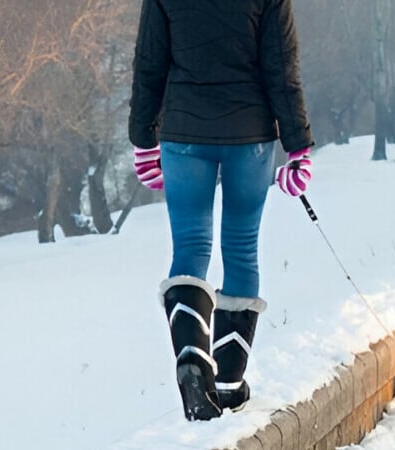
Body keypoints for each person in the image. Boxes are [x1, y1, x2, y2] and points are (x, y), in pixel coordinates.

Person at [128, 0, 314, 421]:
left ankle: (193, 360)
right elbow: (283, 70)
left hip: (183, 134)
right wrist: (298, 147)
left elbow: (149, 63)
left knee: (190, 248)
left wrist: (143, 138)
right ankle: (229, 384)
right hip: (250, 136)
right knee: (242, 248)